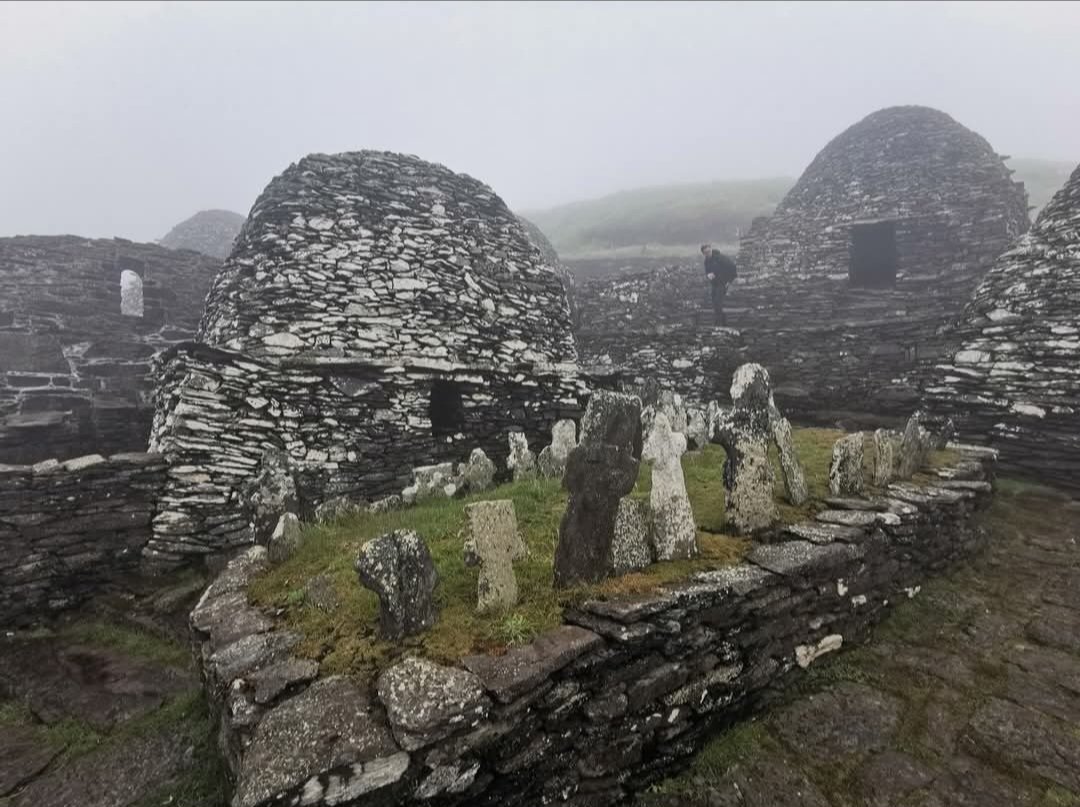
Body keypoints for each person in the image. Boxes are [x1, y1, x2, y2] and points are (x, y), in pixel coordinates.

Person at [701, 244, 737, 326]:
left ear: (711, 250)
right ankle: (722, 320)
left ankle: (719, 322)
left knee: (718, 301)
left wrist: (729, 281)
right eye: (706, 252)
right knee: (714, 302)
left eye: (709, 251)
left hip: (723, 283)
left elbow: (732, 267)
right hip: (714, 284)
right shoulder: (706, 261)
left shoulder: (720, 258)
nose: (708, 253)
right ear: (703, 253)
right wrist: (708, 275)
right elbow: (707, 271)